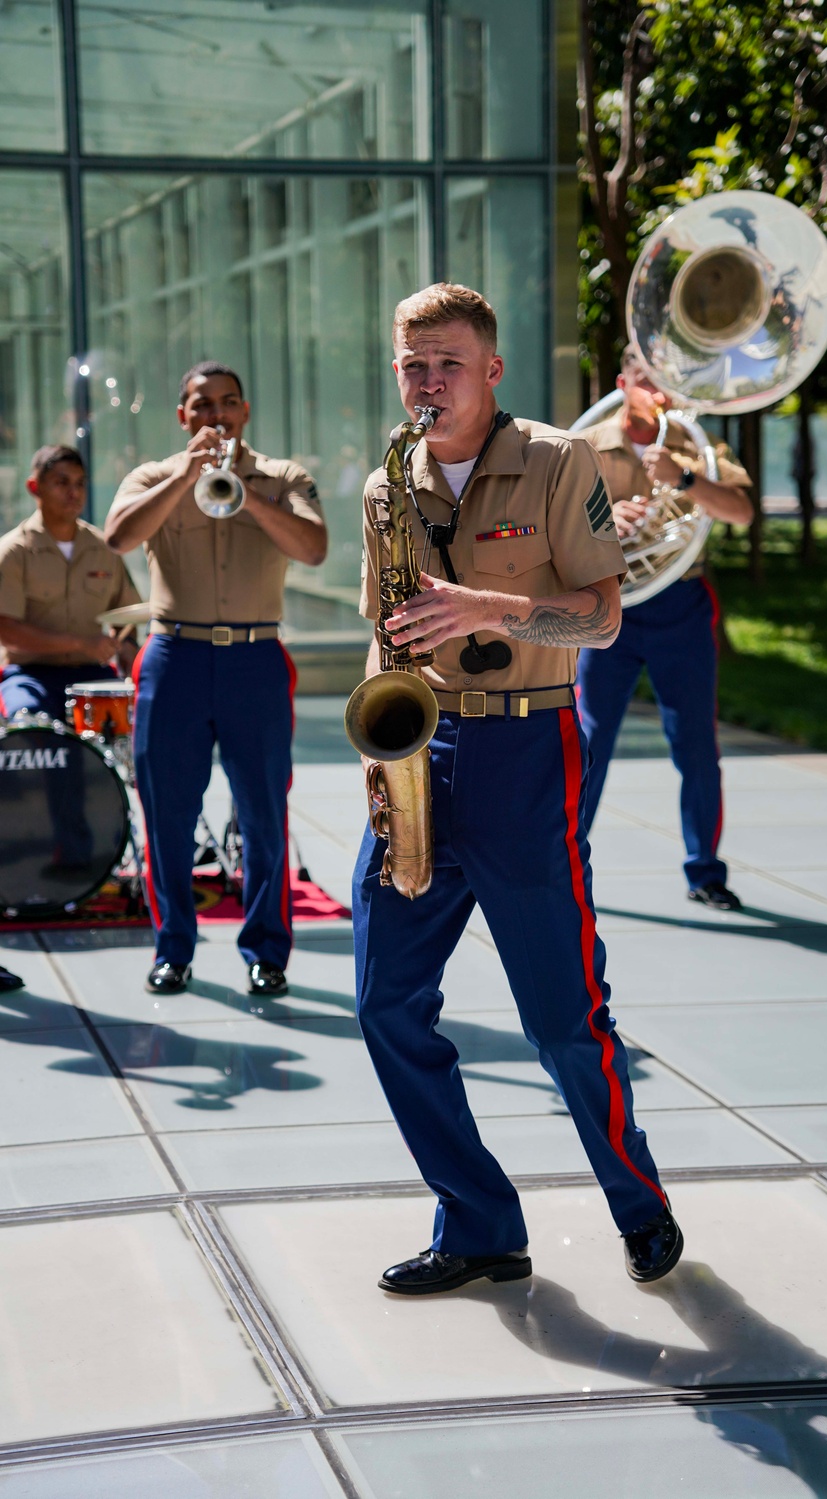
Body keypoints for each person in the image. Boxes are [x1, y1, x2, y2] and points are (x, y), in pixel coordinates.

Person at [353, 284, 682, 1296]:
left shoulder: (554, 458)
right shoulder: (385, 485)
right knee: (384, 1004)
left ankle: (640, 1205)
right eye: (412, 363)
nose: (427, 380)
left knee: (559, 1015)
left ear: (491, 370)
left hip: (526, 754)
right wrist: (383, 756)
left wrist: (478, 606)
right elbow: (385, 626)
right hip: (422, 757)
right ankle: (479, 1220)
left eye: (447, 362)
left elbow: (600, 619)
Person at [105, 361, 327, 998]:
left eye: (228, 403)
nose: (216, 415)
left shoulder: (283, 478)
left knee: (263, 811)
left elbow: (313, 548)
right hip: (174, 657)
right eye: (202, 406)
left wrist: (244, 490)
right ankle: (173, 946)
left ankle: (265, 951)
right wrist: (186, 475)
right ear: (183, 416)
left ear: (246, 412)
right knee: (168, 813)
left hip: (254, 659)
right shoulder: (153, 476)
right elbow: (120, 537)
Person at [576, 345, 754, 912]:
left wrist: (685, 479)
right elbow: (549, 526)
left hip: (679, 605)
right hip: (611, 609)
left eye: (666, 377)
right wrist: (606, 522)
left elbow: (741, 511)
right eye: (645, 374)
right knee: (588, 740)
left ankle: (705, 871)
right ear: (624, 378)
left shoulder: (697, 444)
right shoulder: (581, 445)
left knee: (696, 742)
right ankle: (566, 861)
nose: (656, 387)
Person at [0, 445, 139, 722]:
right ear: (34, 487)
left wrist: (126, 648)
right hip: (29, 676)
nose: (73, 493)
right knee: (29, 727)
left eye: (79, 483)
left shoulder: (105, 548)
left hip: (92, 676)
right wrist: (80, 643)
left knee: (136, 722)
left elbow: (128, 614)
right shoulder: (13, 552)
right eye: (62, 483)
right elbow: (7, 631)